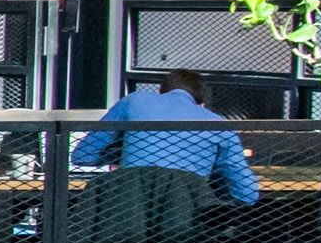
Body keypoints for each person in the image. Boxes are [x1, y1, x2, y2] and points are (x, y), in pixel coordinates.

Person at [71, 67, 260, 205]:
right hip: (185, 227)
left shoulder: (134, 101)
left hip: (127, 218)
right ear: (201, 103)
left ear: (160, 92)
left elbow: (83, 156)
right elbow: (248, 193)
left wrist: (124, 153)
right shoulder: (218, 124)